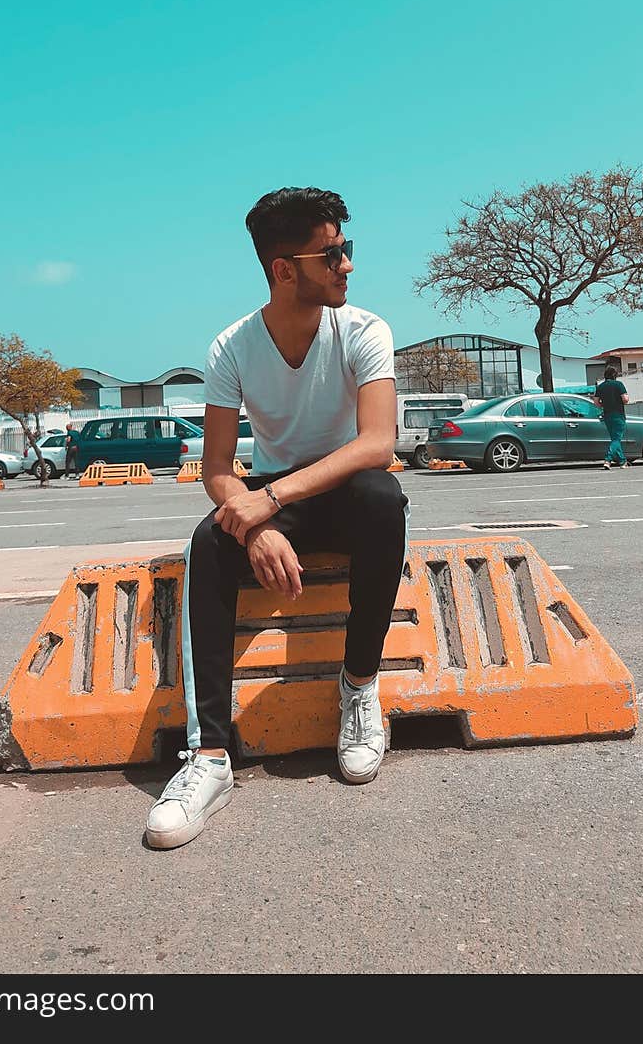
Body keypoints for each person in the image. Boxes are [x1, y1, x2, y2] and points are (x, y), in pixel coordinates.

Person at [145, 187, 408, 851]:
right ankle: (208, 757)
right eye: (332, 253)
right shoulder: (231, 348)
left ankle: (358, 691)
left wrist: (272, 498)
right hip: (275, 503)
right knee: (207, 542)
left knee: (384, 497)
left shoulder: (365, 330)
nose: (347, 264)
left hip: (344, 489)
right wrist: (256, 522)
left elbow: (379, 442)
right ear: (283, 268)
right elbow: (216, 470)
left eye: (347, 248)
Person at [594, 366, 630, 469]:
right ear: (615, 375)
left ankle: (623, 461)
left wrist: (603, 405)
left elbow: (596, 402)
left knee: (614, 439)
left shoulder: (600, 387)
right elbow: (625, 399)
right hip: (618, 414)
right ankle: (608, 459)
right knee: (617, 439)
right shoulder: (618, 384)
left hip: (607, 415)